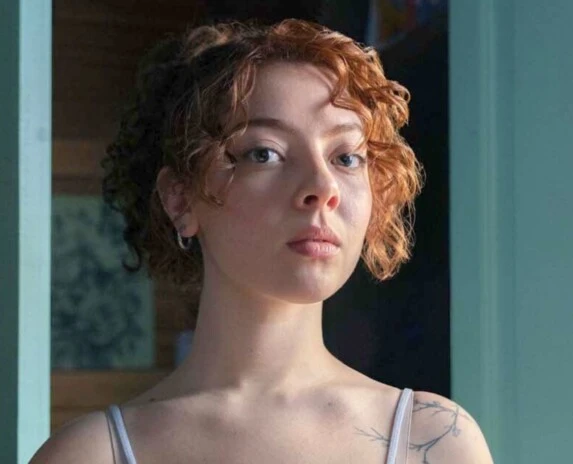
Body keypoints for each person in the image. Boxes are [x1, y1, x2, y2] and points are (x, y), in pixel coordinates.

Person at [31, 18, 493, 464]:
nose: (323, 186)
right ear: (181, 199)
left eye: (346, 157)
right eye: (265, 153)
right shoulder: (92, 455)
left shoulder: (433, 442)